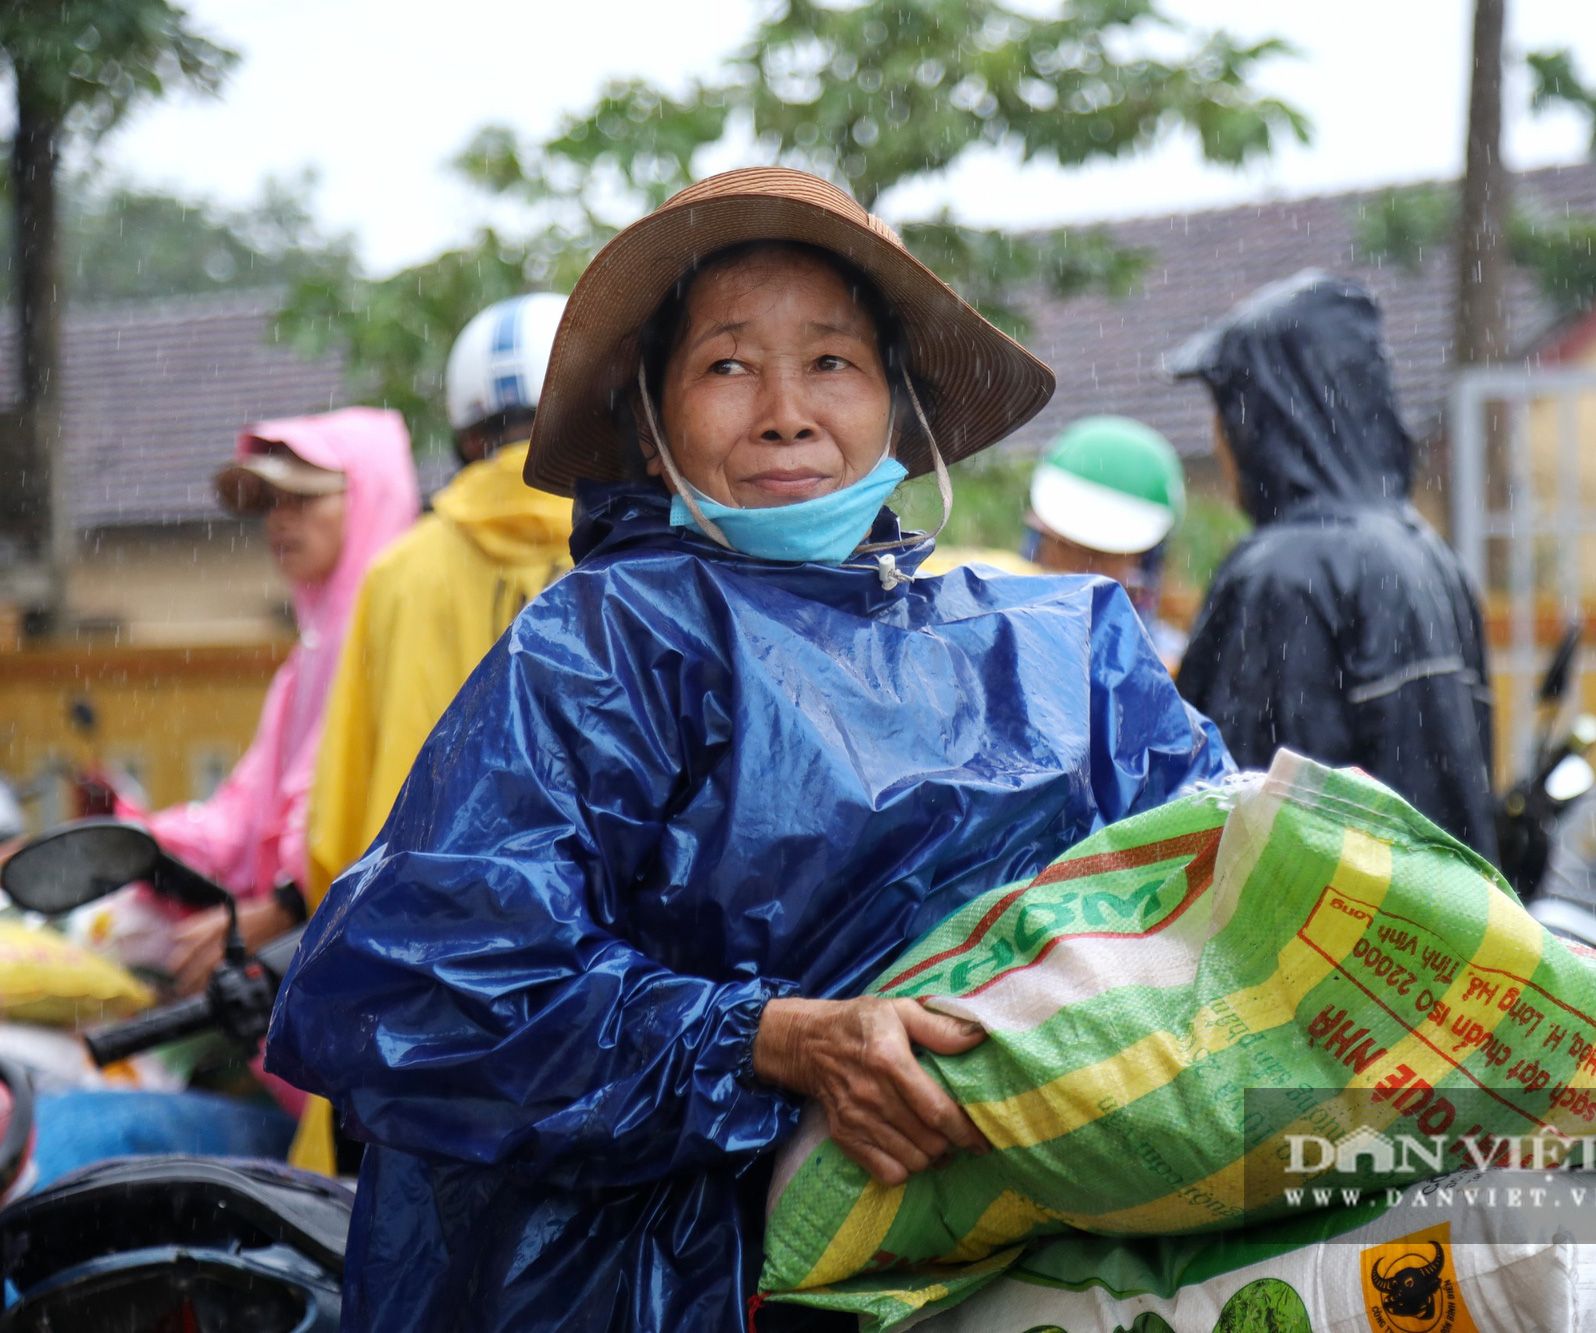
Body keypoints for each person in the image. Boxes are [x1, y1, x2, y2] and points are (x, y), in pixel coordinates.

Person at [265, 167, 1231, 1333]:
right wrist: (771, 1040)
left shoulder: (1056, 650)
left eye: (831, 361)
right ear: (653, 415)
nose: (784, 409)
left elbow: (1209, 891)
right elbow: (421, 983)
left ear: (896, 404)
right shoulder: (599, 646)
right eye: (728, 365)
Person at [1169, 271, 1498, 858]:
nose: (1219, 443)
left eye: (1225, 413)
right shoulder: (1429, 556)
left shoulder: (1280, 574)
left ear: (1262, 421)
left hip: (1316, 942)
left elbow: (1222, 806)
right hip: (1429, 936)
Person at [135, 410, 419, 994]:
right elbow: (242, 816)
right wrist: (136, 843)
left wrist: (286, 908)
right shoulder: (307, 661)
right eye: (270, 502)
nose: (278, 521)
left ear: (370, 500)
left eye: (302, 499)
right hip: (296, 972)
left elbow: (390, 823)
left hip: (377, 980)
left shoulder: (405, 639)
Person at [305, 293, 575, 907]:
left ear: (464, 433)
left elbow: (336, 829)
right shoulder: (650, 558)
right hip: (612, 967)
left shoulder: (399, 571)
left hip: (420, 945)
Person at [1022, 414, 1189, 669]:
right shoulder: (999, 640)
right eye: (1067, 547)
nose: (1083, 571)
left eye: (1103, 555)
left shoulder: (1172, 667)